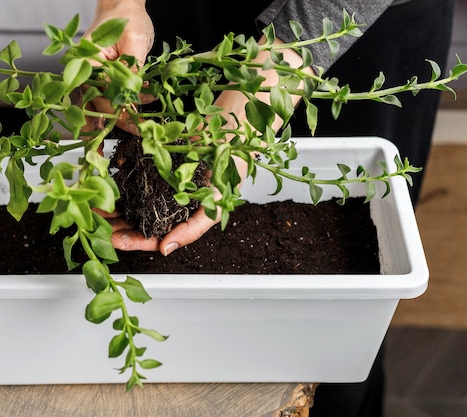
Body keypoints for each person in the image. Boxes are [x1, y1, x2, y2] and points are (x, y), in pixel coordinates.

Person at [83, 1, 455, 416]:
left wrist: (256, 97)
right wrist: (122, 6)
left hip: (357, 19)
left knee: (335, 360)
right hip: (185, 17)